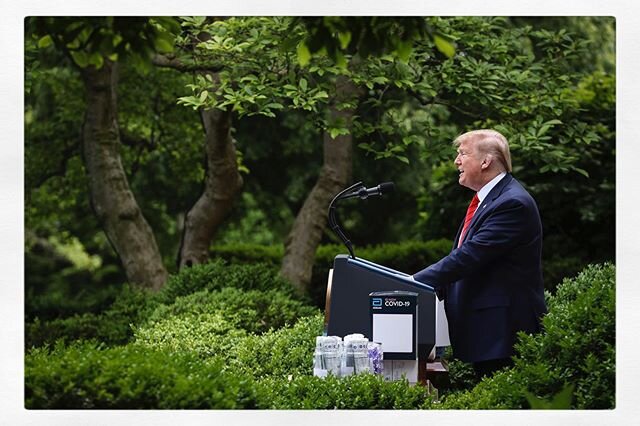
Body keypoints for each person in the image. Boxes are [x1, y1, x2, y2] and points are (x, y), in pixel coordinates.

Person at [412, 129, 547, 379]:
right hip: (487, 334)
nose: (456, 161)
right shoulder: (489, 199)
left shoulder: (511, 203)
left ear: (486, 161)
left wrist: (411, 284)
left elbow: (468, 258)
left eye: (463, 154)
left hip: (502, 335)